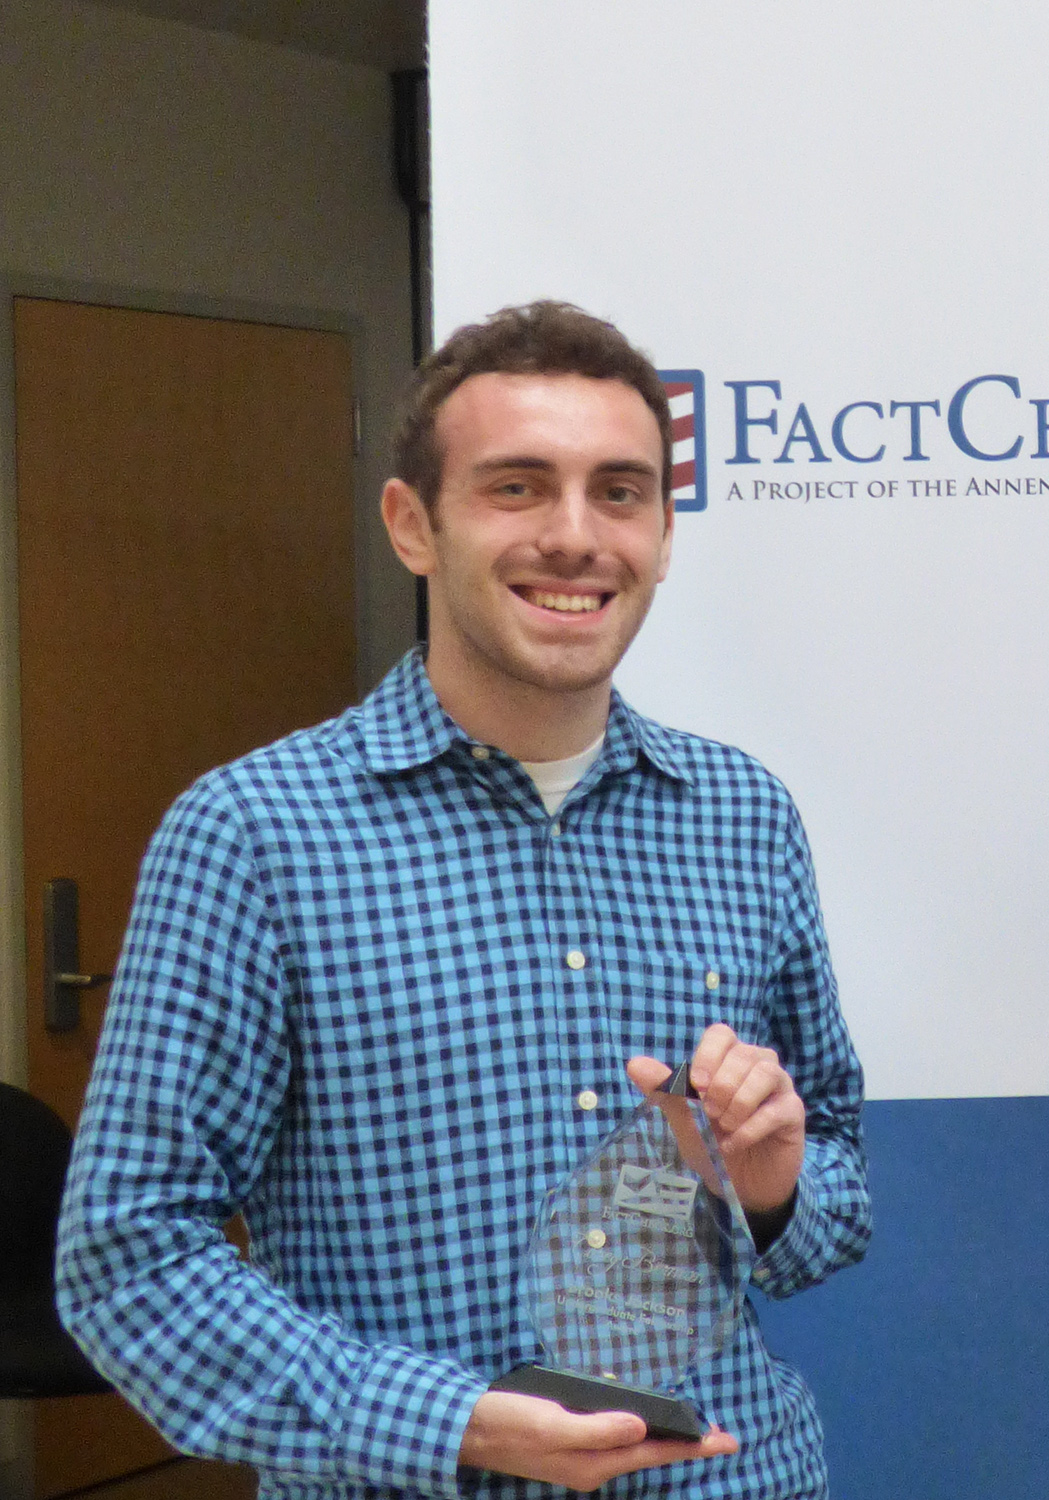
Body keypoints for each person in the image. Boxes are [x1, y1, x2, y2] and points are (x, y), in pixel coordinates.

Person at [56, 301, 870, 1499]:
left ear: (663, 529)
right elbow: (129, 1260)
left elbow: (835, 1191)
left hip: (741, 1477)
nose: (576, 536)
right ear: (411, 525)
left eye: (620, 491)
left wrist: (767, 1185)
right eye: (517, 488)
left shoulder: (741, 816)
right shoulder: (255, 834)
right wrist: (455, 1422)